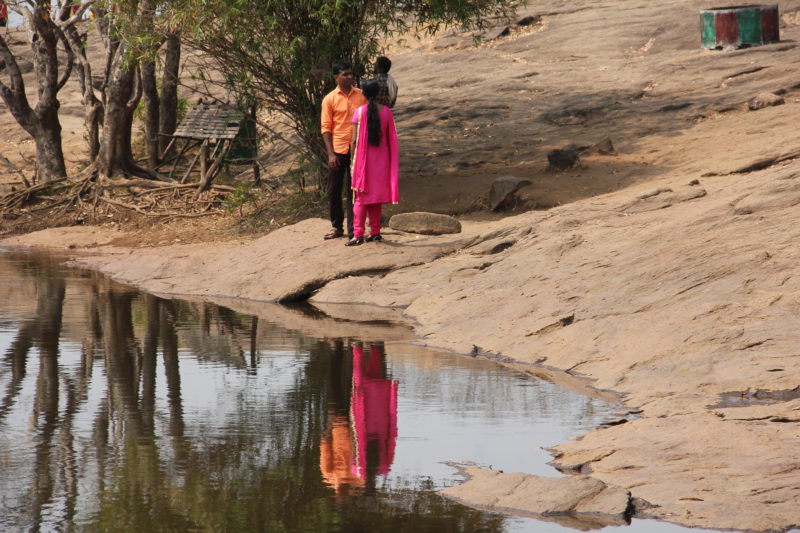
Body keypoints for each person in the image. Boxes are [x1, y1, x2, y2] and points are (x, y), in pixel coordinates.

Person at [346, 80, 399, 246]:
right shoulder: (387, 113)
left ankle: (358, 234)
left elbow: (354, 140)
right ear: (378, 93)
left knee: (361, 199)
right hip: (382, 161)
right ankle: (375, 232)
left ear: (363, 94)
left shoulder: (359, 112)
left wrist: (352, 162)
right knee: (376, 198)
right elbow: (392, 139)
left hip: (364, 162)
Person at [321, 62, 367, 240]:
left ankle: (354, 229)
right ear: (336, 77)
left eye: (350, 74)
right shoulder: (329, 99)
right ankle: (336, 227)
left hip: (358, 149)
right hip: (339, 149)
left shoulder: (361, 95)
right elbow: (326, 128)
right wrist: (331, 153)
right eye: (345, 74)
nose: (350, 77)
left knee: (354, 190)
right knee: (334, 190)